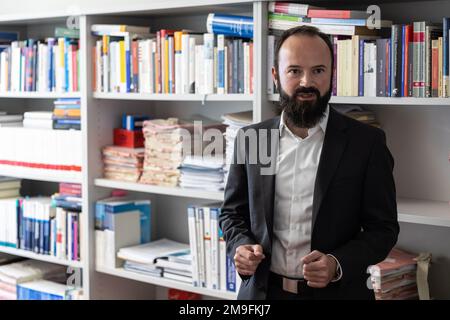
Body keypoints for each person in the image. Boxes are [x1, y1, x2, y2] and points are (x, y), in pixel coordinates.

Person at [219, 25, 399, 300]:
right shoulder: (252, 138)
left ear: (332, 75)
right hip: (262, 293)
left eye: (318, 70)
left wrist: (336, 264)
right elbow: (233, 213)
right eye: (294, 71)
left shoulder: (366, 143)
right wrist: (240, 247)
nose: (306, 82)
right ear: (276, 76)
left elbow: (383, 229)